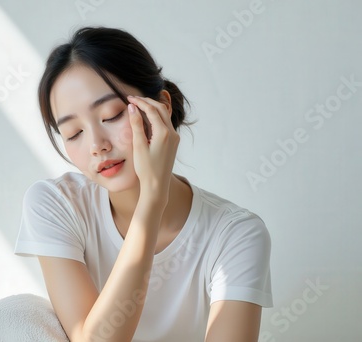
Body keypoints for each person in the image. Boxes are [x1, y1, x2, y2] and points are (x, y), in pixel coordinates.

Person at [15, 26, 273, 342]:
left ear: (161, 107)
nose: (96, 144)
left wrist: (154, 196)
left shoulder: (236, 234)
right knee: (13, 314)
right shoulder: (56, 203)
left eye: (111, 115)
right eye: (74, 134)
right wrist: (152, 201)